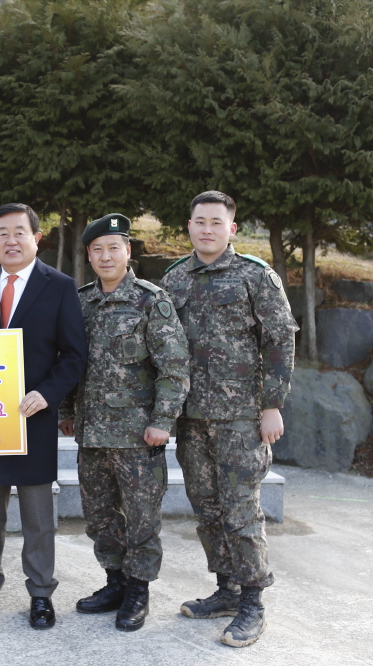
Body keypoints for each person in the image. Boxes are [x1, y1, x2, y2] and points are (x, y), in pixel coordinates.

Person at [161, 191, 298, 648]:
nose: (207, 229)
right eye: (199, 221)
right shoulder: (175, 278)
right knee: (206, 508)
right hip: (191, 418)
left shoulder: (256, 276)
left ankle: (253, 601)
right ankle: (226, 589)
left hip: (241, 418)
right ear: (189, 226)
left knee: (241, 510)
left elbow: (280, 341)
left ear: (231, 228)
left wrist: (272, 405)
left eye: (216, 222)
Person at [0, 203, 87, 630]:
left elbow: (74, 355)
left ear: (37, 238)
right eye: (3, 233)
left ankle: (41, 592)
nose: (11, 241)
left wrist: (46, 394)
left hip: (35, 419)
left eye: (19, 232)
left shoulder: (60, 286)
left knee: (37, 516)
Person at [58, 214, 189, 631]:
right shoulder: (80, 302)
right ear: (89, 256)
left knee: (141, 518)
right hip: (92, 435)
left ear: (128, 251)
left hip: (138, 436)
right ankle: (114, 581)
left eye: (113, 248)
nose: (106, 256)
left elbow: (174, 368)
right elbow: (69, 362)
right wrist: (65, 411)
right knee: (99, 516)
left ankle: (138, 589)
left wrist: (162, 421)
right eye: (97, 249)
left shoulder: (151, 301)